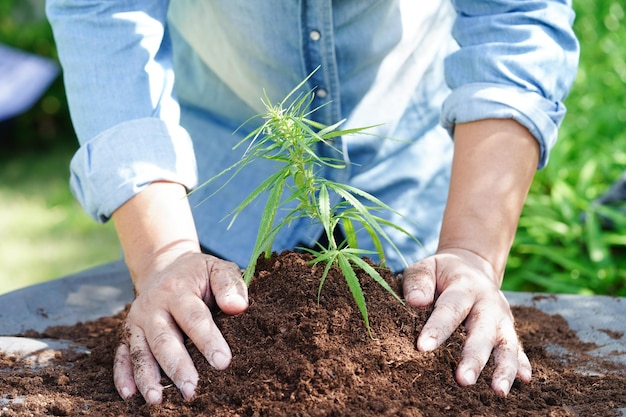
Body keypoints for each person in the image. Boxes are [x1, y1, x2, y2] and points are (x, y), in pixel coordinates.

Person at [45, 0, 579, 405]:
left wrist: (473, 253)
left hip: (413, 193)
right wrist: (163, 254)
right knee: (203, 343)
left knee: (429, 324)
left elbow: (516, 15)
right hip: (209, 196)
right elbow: (104, 11)